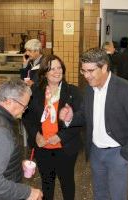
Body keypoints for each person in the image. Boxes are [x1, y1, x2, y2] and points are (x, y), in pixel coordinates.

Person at [59, 48, 128, 200]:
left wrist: (126, 154)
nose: (87, 76)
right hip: (96, 152)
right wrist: (70, 117)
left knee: (117, 196)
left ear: (105, 67)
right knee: (100, 195)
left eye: (91, 71)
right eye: (83, 71)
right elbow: (84, 115)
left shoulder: (125, 90)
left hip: (118, 153)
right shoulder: (89, 90)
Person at [22, 54, 82, 200]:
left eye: (59, 68)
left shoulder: (73, 92)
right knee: (47, 183)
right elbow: (27, 117)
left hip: (65, 147)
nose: (57, 72)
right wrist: (36, 135)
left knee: (67, 182)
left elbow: (79, 121)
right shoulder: (35, 92)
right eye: (52, 69)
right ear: (44, 73)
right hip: (42, 148)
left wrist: (59, 136)